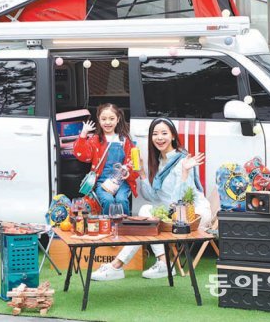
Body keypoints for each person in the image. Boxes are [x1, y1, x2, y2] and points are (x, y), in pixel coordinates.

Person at [91, 117, 212, 281]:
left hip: (193, 215)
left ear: (173, 136)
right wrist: (141, 172)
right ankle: (162, 262)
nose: (159, 138)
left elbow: (180, 201)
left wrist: (184, 173)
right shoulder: (161, 161)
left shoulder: (182, 160)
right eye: (155, 134)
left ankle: (117, 266)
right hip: (174, 212)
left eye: (164, 133)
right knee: (145, 211)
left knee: (148, 220)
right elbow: (153, 197)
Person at [73, 104, 139, 215]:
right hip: (101, 181)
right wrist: (83, 134)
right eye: (103, 119)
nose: (107, 122)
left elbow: (133, 161)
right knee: (107, 200)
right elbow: (83, 155)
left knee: (122, 199)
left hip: (121, 181)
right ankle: (107, 224)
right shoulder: (95, 140)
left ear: (118, 119)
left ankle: (124, 224)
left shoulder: (125, 140)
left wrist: (128, 170)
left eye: (111, 119)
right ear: (99, 120)